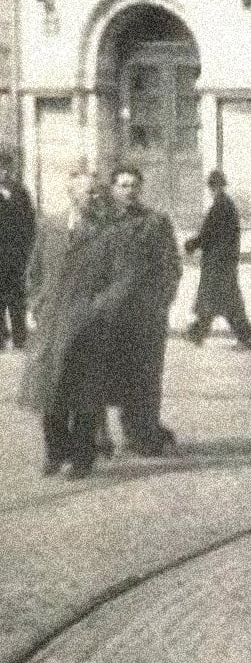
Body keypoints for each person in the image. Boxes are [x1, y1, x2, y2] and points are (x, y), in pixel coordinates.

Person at [20, 168, 112, 477]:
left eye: (96, 192)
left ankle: (82, 458)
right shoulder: (50, 225)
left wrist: (96, 309)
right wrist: (36, 302)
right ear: (71, 193)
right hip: (52, 323)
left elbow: (114, 278)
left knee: (84, 394)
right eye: (88, 192)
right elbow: (33, 270)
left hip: (88, 323)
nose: (94, 197)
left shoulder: (104, 231)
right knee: (50, 391)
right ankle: (55, 452)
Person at [101, 165, 182, 456]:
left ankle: (142, 433)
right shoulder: (101, 222)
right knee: (103, 375)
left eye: (134, 185)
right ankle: (100, 438)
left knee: (146, 377)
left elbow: (171, 266)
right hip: (108, 314)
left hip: (146, 315)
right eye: (123, 185)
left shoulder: (156, 222)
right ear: (113, 188)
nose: (129, 191)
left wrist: (161, 301)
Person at [182, 170, 251, 348]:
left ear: (214, 187)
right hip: (222, 260)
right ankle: (197, 334)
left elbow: (208, 233)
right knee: (215, 300)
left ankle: (246, 338)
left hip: (218, 262)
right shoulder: (225, 204)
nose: (212, 190)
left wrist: (191, 244)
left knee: (224, 302)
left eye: (213, 187)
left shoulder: (220, 206)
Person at [0, 149, 37, 349]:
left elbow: (30, 222)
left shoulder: (20, 192)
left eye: (5, 168)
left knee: (16, 297)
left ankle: (19, 337)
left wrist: (28, 250)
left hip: (15, 254)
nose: (3, 173)